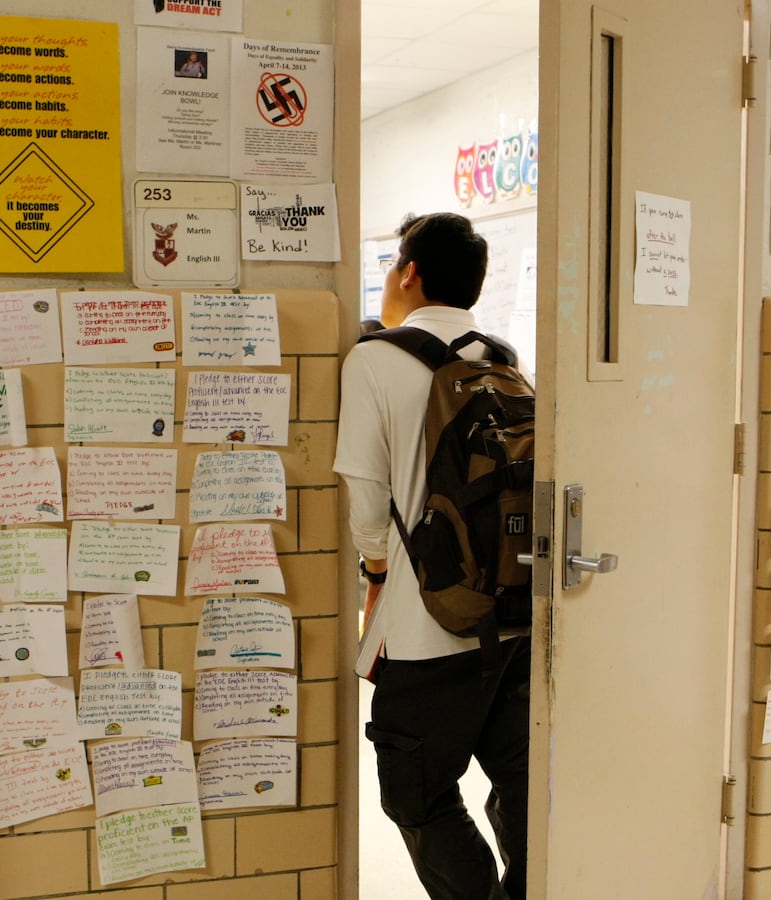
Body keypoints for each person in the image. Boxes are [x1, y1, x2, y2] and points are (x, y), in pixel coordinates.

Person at [334, 212, 530, 900]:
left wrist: (376, 572)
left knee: (413, 789)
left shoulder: (374, 358)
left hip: (427, 623)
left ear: (410, 272)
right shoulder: (502, 357)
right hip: (512, 613)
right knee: (523, 779)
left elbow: (365, 491)